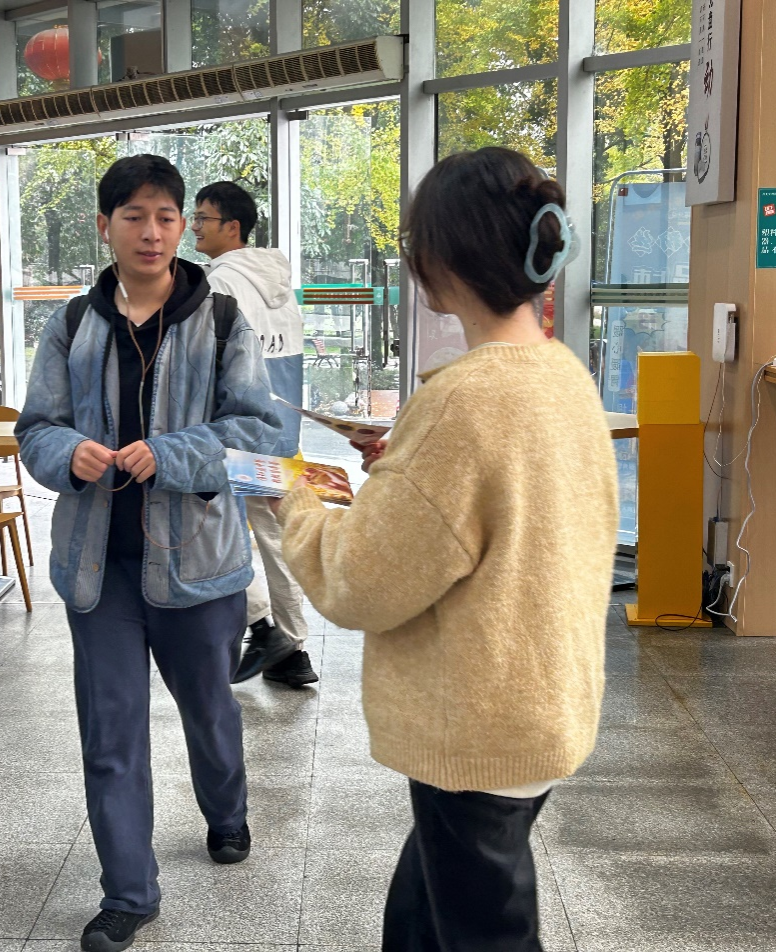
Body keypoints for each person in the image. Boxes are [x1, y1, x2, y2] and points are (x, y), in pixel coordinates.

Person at [271, 147, 618, 951]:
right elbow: (504, 512)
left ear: (439, 258)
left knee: (480, 933)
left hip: (480, 726)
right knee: (422, 918)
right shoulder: (561, 374)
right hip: (542, 702)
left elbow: (358, 582)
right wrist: (405, 471)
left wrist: (294, 496)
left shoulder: (462, 399)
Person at [15, 155, 287, 952]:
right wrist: (67, 453)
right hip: (99, 569)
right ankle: (128, 893)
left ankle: (226, 810)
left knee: (209, 708)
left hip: (199, 564)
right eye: (133, 215)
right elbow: (35, 428)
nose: (152, 231)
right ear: (105, 226)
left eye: (167, 216)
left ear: (182, 228)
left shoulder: (222, 320)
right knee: (111, 734)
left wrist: (169, 454)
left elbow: (260, 436)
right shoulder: (72, 323)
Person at [192, 181, 318, 688]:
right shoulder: (279, 286)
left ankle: (263, 625)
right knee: (274, 536)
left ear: (233, 227)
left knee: (208, 529)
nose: (194, 227)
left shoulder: (222, 283)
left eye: (203, 218)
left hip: (238, 432)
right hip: (281, 432)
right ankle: (293, 649)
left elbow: (210, 365)